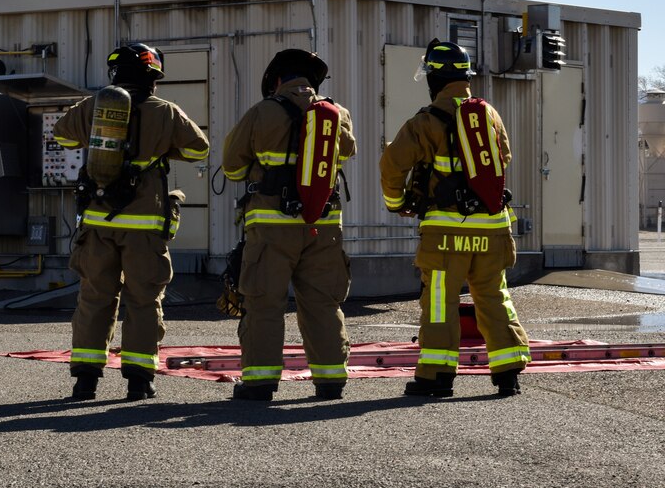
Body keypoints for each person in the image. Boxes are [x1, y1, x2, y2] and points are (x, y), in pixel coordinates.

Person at [53, 44, 209, 401]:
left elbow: (61, 136)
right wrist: (161, 149)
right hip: (144, 225)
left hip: (97, 221)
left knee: (94, 298)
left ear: (115, 75)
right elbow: (199, 149)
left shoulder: (95, 106)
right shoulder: (166, 112)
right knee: (143, 300)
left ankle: (85, 382)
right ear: (154, 78)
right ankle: (140, 382)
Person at [379, 39, 531, 398]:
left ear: (434, 77)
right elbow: (504, 157)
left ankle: (436, 377)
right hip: (494, 229)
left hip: (446, 232)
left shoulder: (425, 122)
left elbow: (392, 164)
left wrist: (397, 202)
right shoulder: (488, 114)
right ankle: (508, 371)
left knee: (439, 301)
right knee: (494, 296)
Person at [222, 49, 356, 402]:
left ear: (278, 80)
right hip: (323, 224)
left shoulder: (262, 112)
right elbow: (347, 153)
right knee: (322, 303)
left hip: (271, 226)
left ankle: (260, 383)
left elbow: (232, 168)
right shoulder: (336, 114)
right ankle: (330, 380)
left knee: (264, 302)